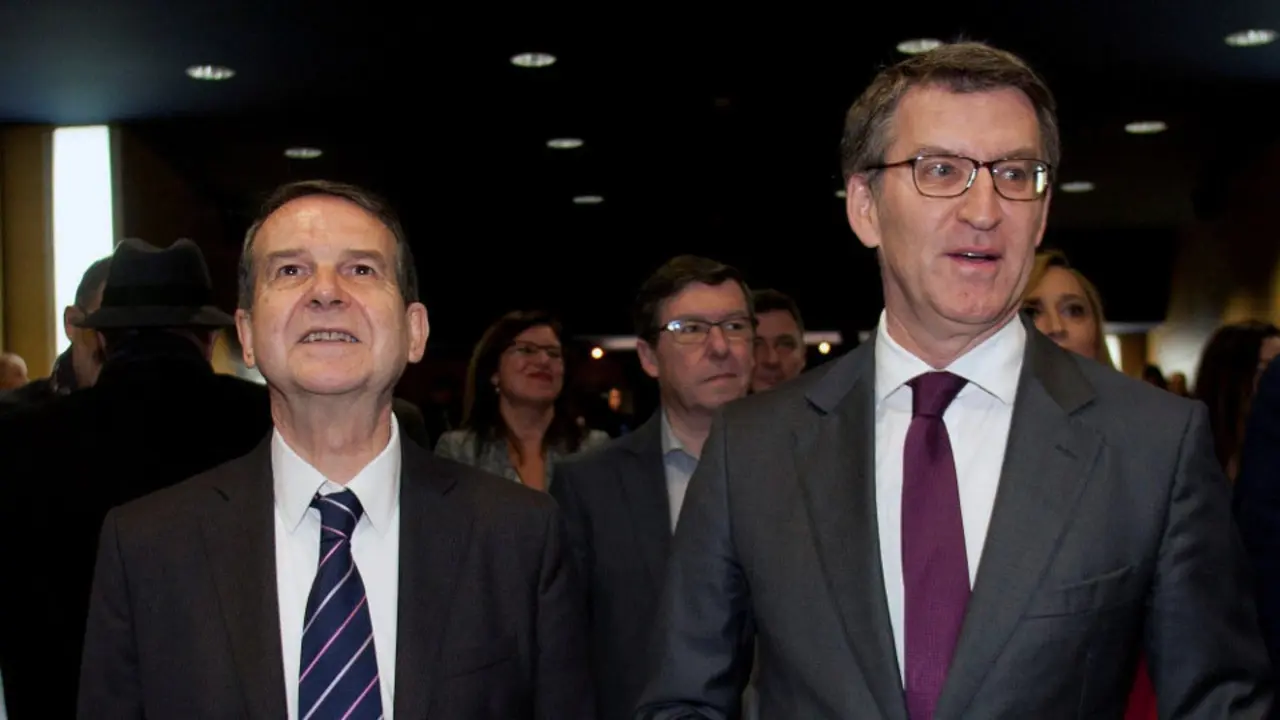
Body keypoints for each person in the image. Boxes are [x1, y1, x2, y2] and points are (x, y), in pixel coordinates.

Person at [635, 42, 1272, 719]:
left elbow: (1219, 706)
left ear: (1043, 210)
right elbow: (684, 700)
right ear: (864, 207)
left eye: (1015, 173)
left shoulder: (1151, 444)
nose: (984, 209)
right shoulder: (753, 448)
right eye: (941, 169)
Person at [77, 180, 592, 719]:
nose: (326, 292)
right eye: (291, 270)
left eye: (361, 269)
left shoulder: (520, 537)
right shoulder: (148, 548)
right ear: (247, 334)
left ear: (415, 332)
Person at [551, 255, 755, 720]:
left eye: (735, 325)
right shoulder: (588, 486)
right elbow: (565, 656)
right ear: (648, 357)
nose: (720, 346)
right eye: (692, 329)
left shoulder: (806, 470)